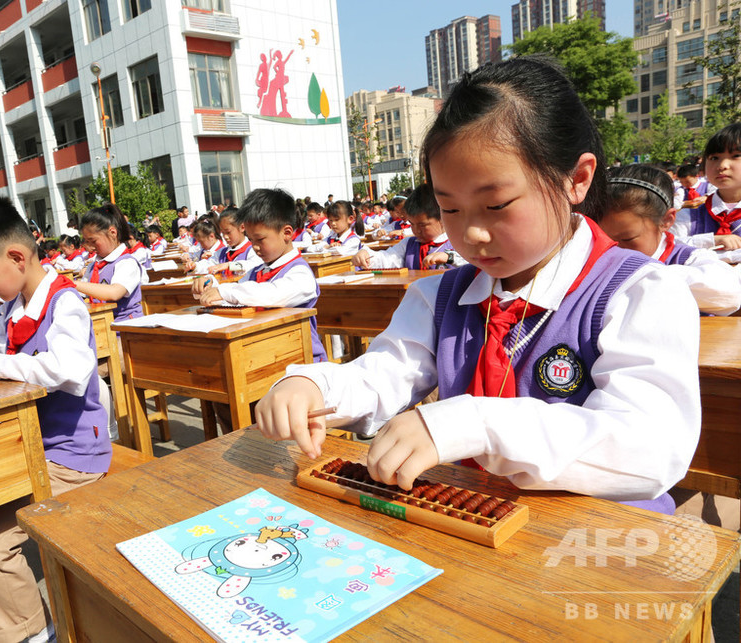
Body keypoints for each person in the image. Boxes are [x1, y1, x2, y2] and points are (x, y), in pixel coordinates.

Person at [252, 56, 699, 513]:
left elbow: (650, 447)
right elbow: (382, 374)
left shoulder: (639, 293)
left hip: (597, 543)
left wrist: (474, 424)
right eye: (451, 209)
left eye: (497, 205)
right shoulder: (439, 297)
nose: (471, 234)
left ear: (576, 179)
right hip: (469, 520)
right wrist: (311, 386)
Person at [0, 196, 111, 643]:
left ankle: (33, 634)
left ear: (16, 257)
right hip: (29, 447)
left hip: (72, 457)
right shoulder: (13, 307)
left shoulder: (65, 304)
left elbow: (72, 370)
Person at [192, 188, 327, 363]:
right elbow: (234, 294)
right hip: (264, 356)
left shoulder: (301, 274)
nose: (254, 247)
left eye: (260, 240)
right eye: (251, 240)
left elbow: (270, 294)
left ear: (287, 233)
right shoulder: (256, 272)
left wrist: (225, 291)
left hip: (302, 359)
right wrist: (208, 288)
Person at [598, 164, 741, 316]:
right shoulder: (597, 257)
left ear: (666, 221)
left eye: (628, 238)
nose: (615, 249)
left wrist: (642, 273)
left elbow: (729, 294)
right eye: (602, 239)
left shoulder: (686, 258)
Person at [353, 184, 465, 270]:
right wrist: (367, 255)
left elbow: (474, 266)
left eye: (422, 225)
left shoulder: (457, 242)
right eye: (412, 224)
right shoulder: (409, 244)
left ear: (442, 219)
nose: (416, 230)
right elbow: (387, 258)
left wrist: (450, 257)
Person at [672, 124, 741, 251]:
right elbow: (669, 244)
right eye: (714, 158)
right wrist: (711, 240)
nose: (722, 165)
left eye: (736, 155)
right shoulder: (689, 216)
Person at [77, 203, 144, 322]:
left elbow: (114, 292)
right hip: (102, 326)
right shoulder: (94, 266)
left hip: (125, 330)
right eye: (87, 242)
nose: (90, 247)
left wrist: (73, 284)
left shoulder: (127, 262)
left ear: (113, 232)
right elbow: (82, 294)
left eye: (93, 240)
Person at [193, 207, 261, 276]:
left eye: (228, 232)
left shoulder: (252, 250)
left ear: (242, 227)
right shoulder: (222, 252)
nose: (225, 237)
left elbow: (254, 265)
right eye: (223, 233)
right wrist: (195, 266)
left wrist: (229, 265)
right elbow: (208, 264)